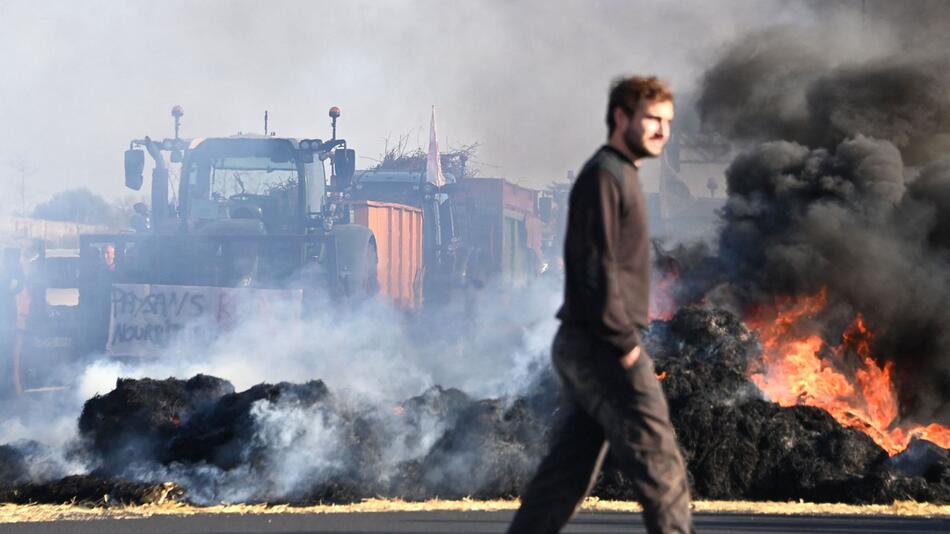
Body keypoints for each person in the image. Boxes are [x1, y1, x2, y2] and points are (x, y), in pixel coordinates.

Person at [506, 76, 693, 534]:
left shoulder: (621, 174)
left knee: (567, 473)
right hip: (603, 345)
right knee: (660, 461)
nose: (662, 131)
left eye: (667, 121)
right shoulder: (605, 177)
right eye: (651, 119)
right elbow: (594, 268)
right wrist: (625, 343)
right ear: (620, 118)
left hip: (589, 341)